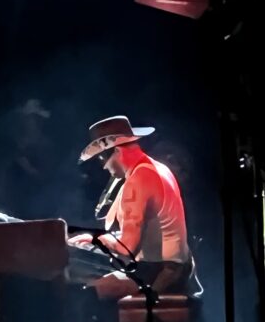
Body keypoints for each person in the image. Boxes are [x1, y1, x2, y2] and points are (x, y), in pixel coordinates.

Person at [68, 115, 201, 301]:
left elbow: (128, 248)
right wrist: (96, 239)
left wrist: (98, 241)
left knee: (82, 290)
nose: (104, 167)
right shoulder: (156, 168)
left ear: (117, 152)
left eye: (102, 159)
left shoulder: (140, 179)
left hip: (160, 273)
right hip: (172, 266)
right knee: (82, 272)